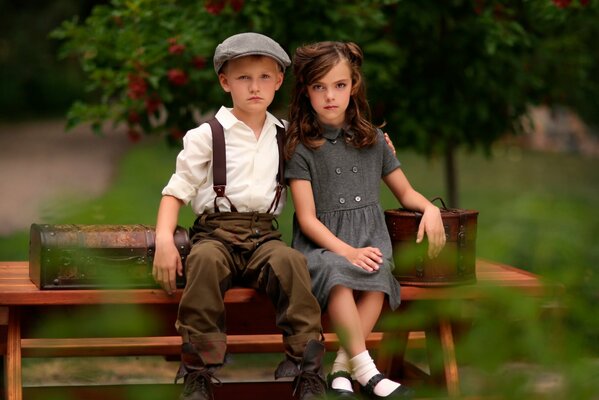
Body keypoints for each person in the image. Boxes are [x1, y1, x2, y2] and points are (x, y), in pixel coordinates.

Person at [152, 32, 326, 400]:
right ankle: (199, 372)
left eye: (265, 77)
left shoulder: (286, 135)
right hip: (216, 234)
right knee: (203, 262)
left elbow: (335, 146)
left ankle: (309, 371)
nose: (254, 87)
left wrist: (376, 142)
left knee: (292, 263)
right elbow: (175, 192)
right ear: (225, 81)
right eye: (244, 77)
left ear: (279, 82)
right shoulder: (207, 135)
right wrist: (164, 242)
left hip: (264, 237)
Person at [285, 41, 447, 399]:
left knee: (378, 274)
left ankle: (343, 368)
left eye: (339, 85)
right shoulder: (300, 147)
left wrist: (430, 208)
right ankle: (369, 372)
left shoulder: (373, 140)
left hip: (368, 238)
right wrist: (346, 252)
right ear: (306, 91)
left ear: (353, 85)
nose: (330, 96)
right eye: (319, 87)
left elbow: (405, 193)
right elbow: (307, 219)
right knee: (339, 274)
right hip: (321, 246)